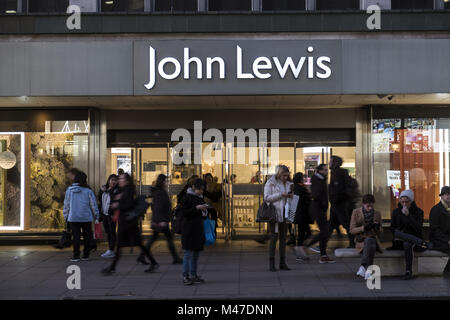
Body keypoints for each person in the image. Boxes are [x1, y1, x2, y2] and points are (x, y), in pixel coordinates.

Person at [102, 173, 159, 274]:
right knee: (136, 244)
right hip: (127, 222)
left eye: (121, 178)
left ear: (127, 181)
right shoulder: (123, 190)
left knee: (122, 245)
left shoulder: (129, 190)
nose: (119, 180)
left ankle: (112, 268)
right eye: (119, 178)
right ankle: (153, 263)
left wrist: (118, 203)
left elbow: (129, 204)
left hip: (128, 223)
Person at [138, 174, 182, 264]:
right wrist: (161, 221)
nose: (167, 183)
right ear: (162, 182)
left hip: (159, 220)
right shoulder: (160, 193)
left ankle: (142, 256)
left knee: (154, 239)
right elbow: (158, 208)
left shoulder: (159, 191)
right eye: (166, 181)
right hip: (160, 221)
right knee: (168, 239)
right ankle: (176, 258)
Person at [298, 164, 335, 263]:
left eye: (327, 170)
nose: (327, 171)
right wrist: (323, 203)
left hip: (320, 208)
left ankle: (323, 255)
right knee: (325, 231)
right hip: (318, 209)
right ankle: (307, 246)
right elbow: (316, 194)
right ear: (319, 170)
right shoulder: (318, 180)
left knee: (325, 232)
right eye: (324, 170)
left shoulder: (321, 179)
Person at [389, 190, 428, 280]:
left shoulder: (419, 212)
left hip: (413, 238)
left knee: (407, 243)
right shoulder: (396, 212)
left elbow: (418, 228)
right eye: (402, 202)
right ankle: (421, 242)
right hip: (399, 239)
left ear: (411, 201)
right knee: (400, 235)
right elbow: (392, 227)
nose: (404, 204)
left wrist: (408, 216)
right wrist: (397, 232)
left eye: (406, 202)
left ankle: (408, 271)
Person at [63, 171, 99, 262]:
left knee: (76, 237)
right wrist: (96, 215)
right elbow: (93, 205)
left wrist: (65, 216)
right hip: (86, 217)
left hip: (73, 217)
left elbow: (66, 204)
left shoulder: (69, 190)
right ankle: (86, 255)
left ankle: (76, 256)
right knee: (87, 237)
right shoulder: (88, 191)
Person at [264, 165, 293, 271]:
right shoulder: (271, 183)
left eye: (287, 175)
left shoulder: (290, 184)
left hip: (286, 213)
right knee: (274, 238)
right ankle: (271, 263)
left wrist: (291, 197)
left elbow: (292, 200)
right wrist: (281, 195)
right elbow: (266, 198)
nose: (285, 177)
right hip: (275, 214)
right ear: (279, 174)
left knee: (283, 239)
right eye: (283, 175)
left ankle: (282, 262)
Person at [180, 178, 208, 285]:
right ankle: (185, 276)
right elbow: (184, 213)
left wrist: (204, 211)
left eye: (202, 190)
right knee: (188, 253)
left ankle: (193, 274)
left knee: (196, 254)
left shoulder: (200, 198)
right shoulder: (186, 198)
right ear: (193, 187)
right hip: (188, 229)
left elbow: (203, 216)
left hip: (197, 229)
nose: (201, 191)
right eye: (199, 189)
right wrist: (197, 208)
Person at [350, 194, 383, 280]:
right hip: (361, 240)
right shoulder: (356, 212)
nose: (370, 208)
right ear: (363, 204)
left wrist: (377, 227)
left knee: (370, 241)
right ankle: (368, 269)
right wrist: (363, 228)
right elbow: (352, 230)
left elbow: (381, 231)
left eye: (372, 206)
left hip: (373, 238)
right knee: (369, 243)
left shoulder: (377, 213)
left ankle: (363, 266)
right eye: (368, 206)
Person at [329, 156, 355, 248]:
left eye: (331, 161)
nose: (329, 163)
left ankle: (353, 242)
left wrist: (333, 201)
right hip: (338, 203)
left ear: (335, 162)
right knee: (332, 225)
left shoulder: (338, 173)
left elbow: (338, 189)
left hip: (339, 204)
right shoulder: (338, 172)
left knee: (345, 224)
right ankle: (322, 244)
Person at [429, 186, 450, 277]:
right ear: (441, 196)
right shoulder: (435, 209)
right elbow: (434, 229)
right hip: (438, 240)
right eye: (447, 194)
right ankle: (447, 271)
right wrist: (447, 240)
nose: (449, 196)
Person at [98, 174, 120, 258]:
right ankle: (110, 249)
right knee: (108, 232)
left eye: (115, 180)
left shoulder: (116, 190)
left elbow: (114, 199)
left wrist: (107, 190)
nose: (113, 181)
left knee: (112, 232)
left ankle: (111, 250)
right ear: (108, 180)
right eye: (112, 180)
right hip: (105, 214)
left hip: (111, 215)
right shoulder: (105, 190)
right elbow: (100, 198)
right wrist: (101, 190)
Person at [292, 172, 312, 262]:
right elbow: (306, 199)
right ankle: (300, 251)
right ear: (300, 179)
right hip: (302, 214)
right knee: (304, 233)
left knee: (305, 232)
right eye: (303, 177)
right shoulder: (300, 188)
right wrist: (309, 192)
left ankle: (300, 250)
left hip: (300, 214)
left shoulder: (298, 187)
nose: (304, 179)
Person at [203, 173, 222, 237]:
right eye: (207, 177)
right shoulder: (203, 186)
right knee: (206, 220)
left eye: (210, 177)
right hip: (205, 206)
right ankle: (208, 234)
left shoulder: (216, 186)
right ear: (205, 179)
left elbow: (216, 195)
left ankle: (214, 233)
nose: (209, 179)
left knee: (214, 219)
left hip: (213, 205)